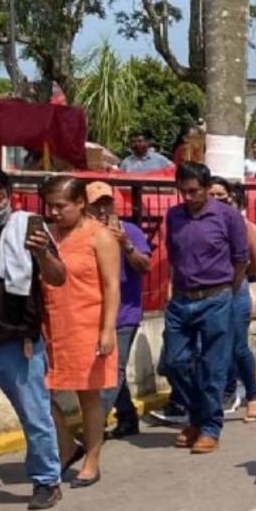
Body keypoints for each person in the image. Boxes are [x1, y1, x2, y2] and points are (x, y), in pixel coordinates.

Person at [0, 166, 67, 509]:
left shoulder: (28, 229)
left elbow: (58, 278)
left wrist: (42, 254)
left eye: (0, 197)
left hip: (18, 346)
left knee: (36, 419)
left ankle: (46, 481)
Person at [40, 176, 121, 489]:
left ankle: (91, 460)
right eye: (51, 206)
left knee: (89, 397)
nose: (56, 212)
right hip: (51, 324)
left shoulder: (99, 236)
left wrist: (107, 329)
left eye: (62, 206)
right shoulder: (48, 235)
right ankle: (66, 445)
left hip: (86, 325)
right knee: (37, 392)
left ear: (80, 204)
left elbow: (112, 285)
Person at [163, 162, 248, 454]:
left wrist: (227, 290)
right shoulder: (173, 216)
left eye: (194, 191)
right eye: (183, 191)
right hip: (181, 299)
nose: (188, 197)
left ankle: (210, 426)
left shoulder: (228, 216)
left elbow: (241, 259)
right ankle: (196, 416)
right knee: (174, 362)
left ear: (206, 188)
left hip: (216, 298)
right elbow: (173, 256)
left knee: (214, 366)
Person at [86, 182, 152, 440]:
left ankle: (94, 426)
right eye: (96, 205)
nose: (102, 210)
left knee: (115, 368)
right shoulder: (84, 233)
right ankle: (126, 415)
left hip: (125, 312)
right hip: (92, 312)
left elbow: (145, 265)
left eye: (106, 203)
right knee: (109, 368)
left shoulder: (131, 231)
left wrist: (125, 244)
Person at [207, 177, 256, 422]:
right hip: (208, 292)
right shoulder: (199, 222)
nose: (216, 199)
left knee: (238, 346)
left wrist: (234, 278)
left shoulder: (239, 222)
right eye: (212, 194)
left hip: (236, 291)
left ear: (230, 196)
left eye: (221, 194)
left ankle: (253, 397)